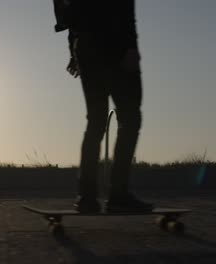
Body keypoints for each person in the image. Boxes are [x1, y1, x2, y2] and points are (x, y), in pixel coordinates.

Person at [54, 0, 154, 213]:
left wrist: (74, 49)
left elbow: (70, 13)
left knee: (96, 121)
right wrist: (130, 47)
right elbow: (124, 10)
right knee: (129, 120)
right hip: (114, 45)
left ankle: (86, 197)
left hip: (86, 47)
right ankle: (118, 195)